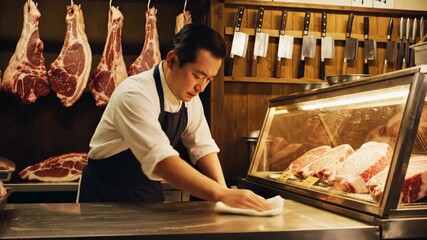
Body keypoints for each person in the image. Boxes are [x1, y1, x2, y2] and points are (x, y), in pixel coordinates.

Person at [77, 24, 271, 211]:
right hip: (105, 199)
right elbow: (161, 161)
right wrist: (220, 194)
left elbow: (202, 147)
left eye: (209, 79)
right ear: (172, 60)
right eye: (197, 75)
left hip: (147, 195)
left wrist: (224, 191)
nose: (201, 87)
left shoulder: (189, 98)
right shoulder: (134, 93)